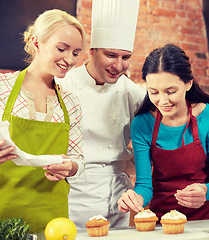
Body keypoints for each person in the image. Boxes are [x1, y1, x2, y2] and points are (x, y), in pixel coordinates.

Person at [0, 9, 85, 235]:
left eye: (76, 53)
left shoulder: (71, 102)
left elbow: (77, 159)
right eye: (62, 49)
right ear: (36, 42)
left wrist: (69, 167)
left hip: (50, 219)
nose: (70, 60)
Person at [55, 0, 146, 230]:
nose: (118, 65)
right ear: (92, 51)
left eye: (125, 57)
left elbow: (149, 142)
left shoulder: (134, 93)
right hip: (70, 195)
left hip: (116, 197)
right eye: (111, 55)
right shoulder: (63, 85)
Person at [117, 43, 209, 220]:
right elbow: (144, 185)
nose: (163, 100)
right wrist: (136, 198)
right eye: (153, 92)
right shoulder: (142, 124)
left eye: (170, 91)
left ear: (188, 84)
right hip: (163, 219)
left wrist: (205, 190)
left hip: (206, 217)